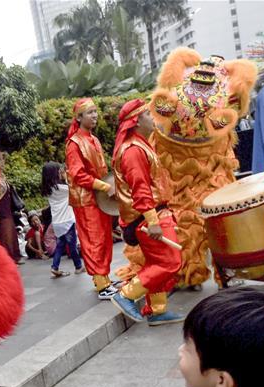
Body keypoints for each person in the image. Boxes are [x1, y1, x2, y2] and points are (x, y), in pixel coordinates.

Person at [109, 100, 184, 326]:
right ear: (136, 121)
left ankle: (157, 310)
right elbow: (140, 188)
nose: (153, 118)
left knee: (157, 261)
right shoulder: (132, 151)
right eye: (148, 115)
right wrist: (152, 220)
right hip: (147, 216)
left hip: (151, 213)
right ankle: (126, 294)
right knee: (170, 262)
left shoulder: (140, 145)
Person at [65, 97, 118, 299]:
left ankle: (104, 278)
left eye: (95, 111)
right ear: (79, 118)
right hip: (86, 199)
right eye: (90, 113)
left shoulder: (93, 140)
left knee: (104, 238)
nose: (95, 115)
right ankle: (101, 283)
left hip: (100, 198)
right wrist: (105, 186)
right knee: (94, 240)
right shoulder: (74, 143)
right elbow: (78, 175)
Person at [41, 162, 85, 278]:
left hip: (57, 223)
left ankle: (54, 267)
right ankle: (78, 266)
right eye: (59, 171)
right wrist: (66, 177)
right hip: (67, 220)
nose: (61, 172)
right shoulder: (62, 188)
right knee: (72, 245)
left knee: (60, 245)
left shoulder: (49, 190)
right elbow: (75, 188)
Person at [0, 153, 26, 265]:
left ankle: (15, 256)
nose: (3, 163)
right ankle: (8, 259)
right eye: (1, 161)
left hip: (7, 209)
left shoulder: (2, 176)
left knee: (12, 233)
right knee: (5, 235)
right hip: (0, 210)